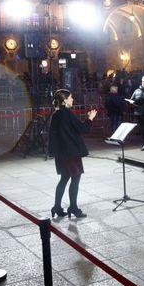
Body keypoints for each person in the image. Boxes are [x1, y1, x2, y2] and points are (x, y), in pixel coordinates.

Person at [47, 89, 97, 219]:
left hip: (61, 153)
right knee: (75, 179)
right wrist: (90, 119)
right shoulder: (67, 114)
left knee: (64, 179)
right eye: (70, 97)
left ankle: (57, 207)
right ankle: (73, 208)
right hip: (71, 153)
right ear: (64, 100)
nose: (72, 99)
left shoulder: (56, 114)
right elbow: (83, 129)